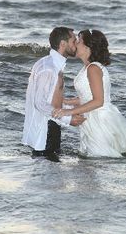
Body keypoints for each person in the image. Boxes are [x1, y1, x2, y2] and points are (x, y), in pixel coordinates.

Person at [52, 29, 126, 158]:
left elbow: (98, 101)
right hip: (92, 117)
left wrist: (69, 112)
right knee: (90, 166)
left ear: (88, 47)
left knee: (98, 160)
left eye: (79, 41)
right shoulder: (88, 67)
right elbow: (88, 96)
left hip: (99, 120)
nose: (75, 43)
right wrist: (67, 101)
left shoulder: (93, 68)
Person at [22, 27, 85, 161]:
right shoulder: (48, 69)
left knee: (52, 177)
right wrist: (68, 119)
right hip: (45, 132)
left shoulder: (51, 64)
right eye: (74, 41)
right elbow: (40, 103)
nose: (76, 44)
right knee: (49, 176)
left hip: (49, 127)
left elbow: (51, 99)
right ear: (63, 44)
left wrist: (70, 111)